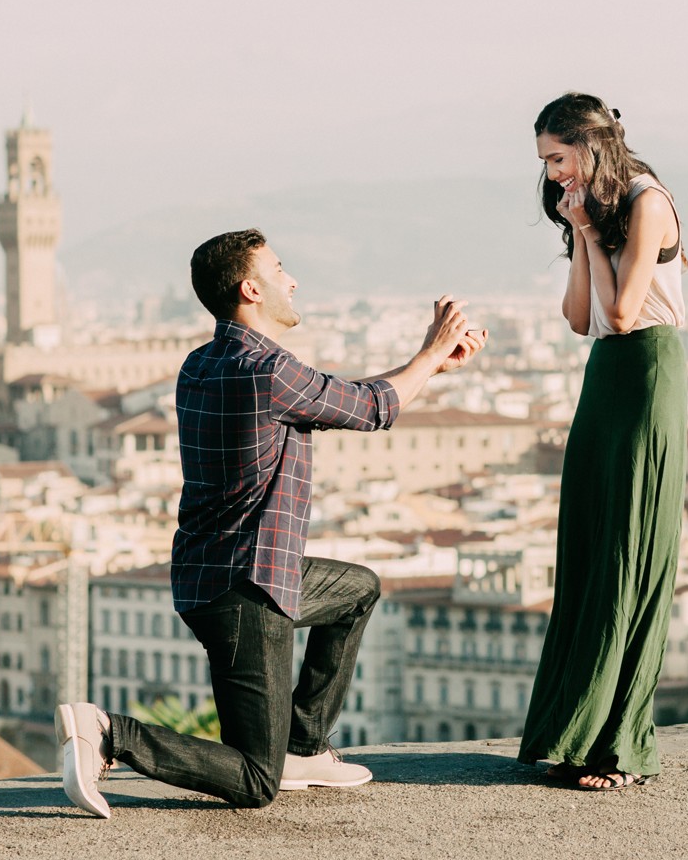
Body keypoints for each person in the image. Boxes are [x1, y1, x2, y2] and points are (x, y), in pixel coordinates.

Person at [56, 229, 486, 817]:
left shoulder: (203, 363)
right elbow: (370, 408)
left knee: (356, 588)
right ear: (251, 288)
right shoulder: (268, 370)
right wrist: (432, 353)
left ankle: (304, 747)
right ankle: (109, 732)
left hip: (226, 571)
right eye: (280, 269)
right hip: (246, 591)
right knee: (257, 778)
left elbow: (345, 395)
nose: (293, 279)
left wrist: (426, 370)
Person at [518, 94, 687, 791]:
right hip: (607, 376)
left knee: (630, 546)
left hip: (648, 370)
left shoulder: (648, 202)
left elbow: (622, 313)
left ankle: (620, 746)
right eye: (546, 163)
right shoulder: (598, 209)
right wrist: (583, 232)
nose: (553, 173)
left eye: (558, 158)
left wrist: (589, 226)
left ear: (590, 145)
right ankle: (578, 734)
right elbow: (578, 315)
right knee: (592, 545)